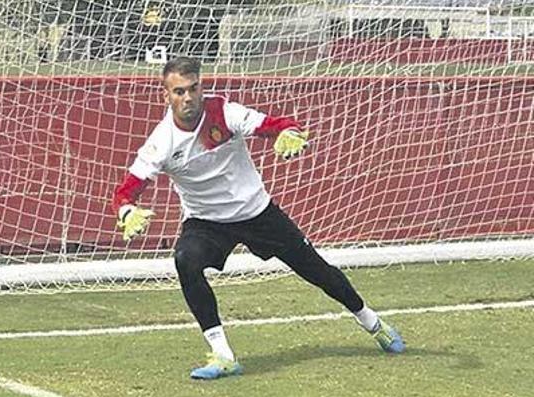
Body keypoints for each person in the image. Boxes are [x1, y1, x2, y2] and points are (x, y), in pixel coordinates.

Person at [112, 57, 405, 380]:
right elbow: (126, 192)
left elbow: (276, 124)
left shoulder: (224, 112)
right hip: (207, 222)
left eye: (194, 88)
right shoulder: (161, 143)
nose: (188, 97)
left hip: (257, 212)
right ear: (165, 95)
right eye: (179, 91)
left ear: (201, 86)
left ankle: (373, 323)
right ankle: (222, 356)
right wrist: (127, 212)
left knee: (318, 271)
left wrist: (288, 133)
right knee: (186, 260)